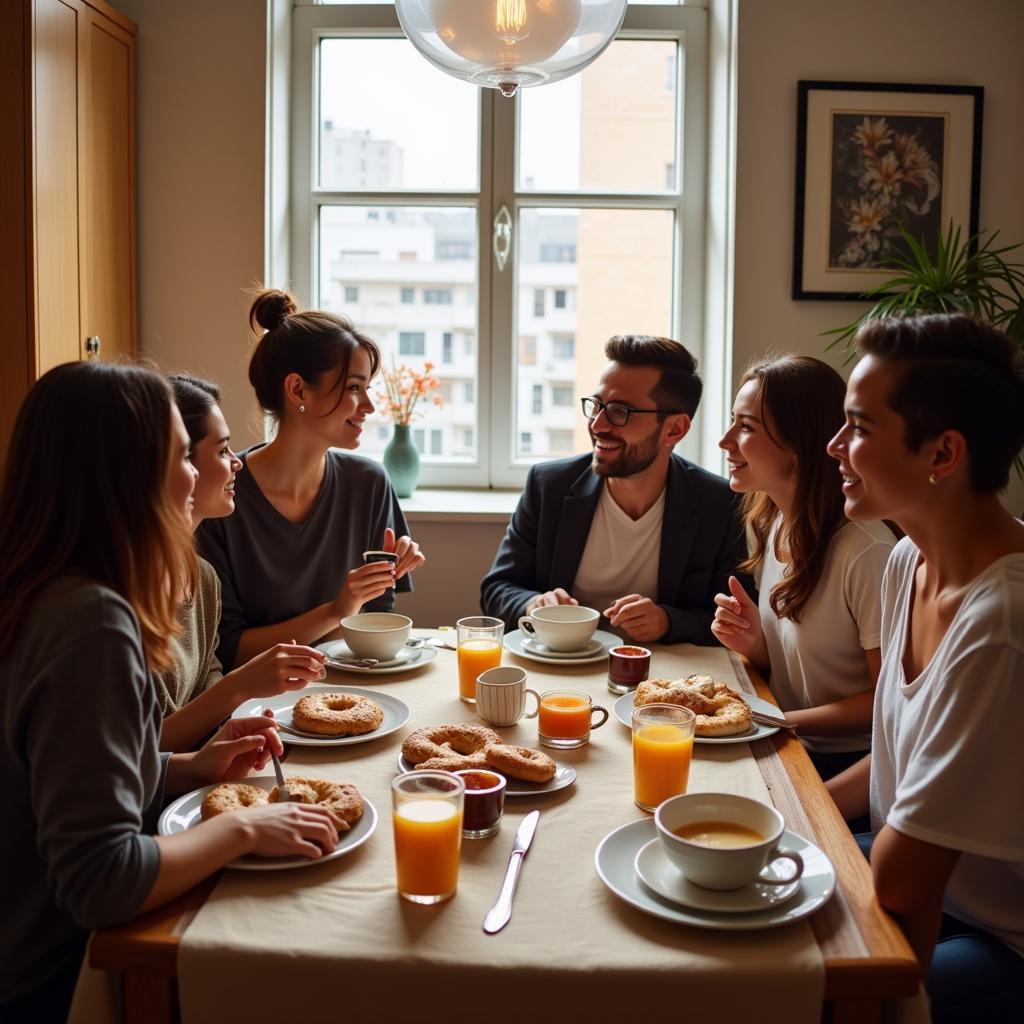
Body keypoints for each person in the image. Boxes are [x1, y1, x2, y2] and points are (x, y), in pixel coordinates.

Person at [0, 362, 344, 1024]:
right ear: (124, 476)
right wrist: (246, 826)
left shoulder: (50, 589)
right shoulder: (91, 622)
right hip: (47, 976)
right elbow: (102, 881)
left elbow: (68, 781)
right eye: (183, 455)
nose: (198, 472)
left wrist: (190, 767)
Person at [825, 314, 1024, 1022]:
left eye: (858, 428)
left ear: (942, 453)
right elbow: (896, 762)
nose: (834, 447)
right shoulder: (907, 560)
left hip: (998, 938)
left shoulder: (1000, 622)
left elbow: (907, 883)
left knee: (781, 982)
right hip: (915, 884)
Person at [197, 290, 425, 671]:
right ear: (298, 390)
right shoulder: (221, 495)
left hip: (350, 689)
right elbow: (230, 650)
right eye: (354, 388)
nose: (369, 406)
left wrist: (382, 578)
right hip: (257, 706)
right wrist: (337, 610)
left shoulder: (369, 483)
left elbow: (376, 624)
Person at [481, 334, 749, 644]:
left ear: (674, 429)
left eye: (620, 412)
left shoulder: (718, 503)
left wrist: (668, 621)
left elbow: (738, 617)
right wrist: (533, 604)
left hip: (662, 675)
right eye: (596, 405)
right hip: (561, 665)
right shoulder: (549, 486)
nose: (597, 425)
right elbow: (497, 589)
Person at [711, 356, 894, 787]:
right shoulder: (775, 523)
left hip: (848, 765)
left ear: (798, 444)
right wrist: (756, 644)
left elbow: (884, 704)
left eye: (746, 427)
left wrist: (769, 719)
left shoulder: (865, 552)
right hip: (791, 741)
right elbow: (799, 673)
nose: (724, 440)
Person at [159, 374, 328, 752]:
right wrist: (242, 686)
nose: (237, 463)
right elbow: (136, 753)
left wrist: (235, 726)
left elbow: (209, 684)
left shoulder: (201, 577)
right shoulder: (119, 598)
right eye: (221, 451)